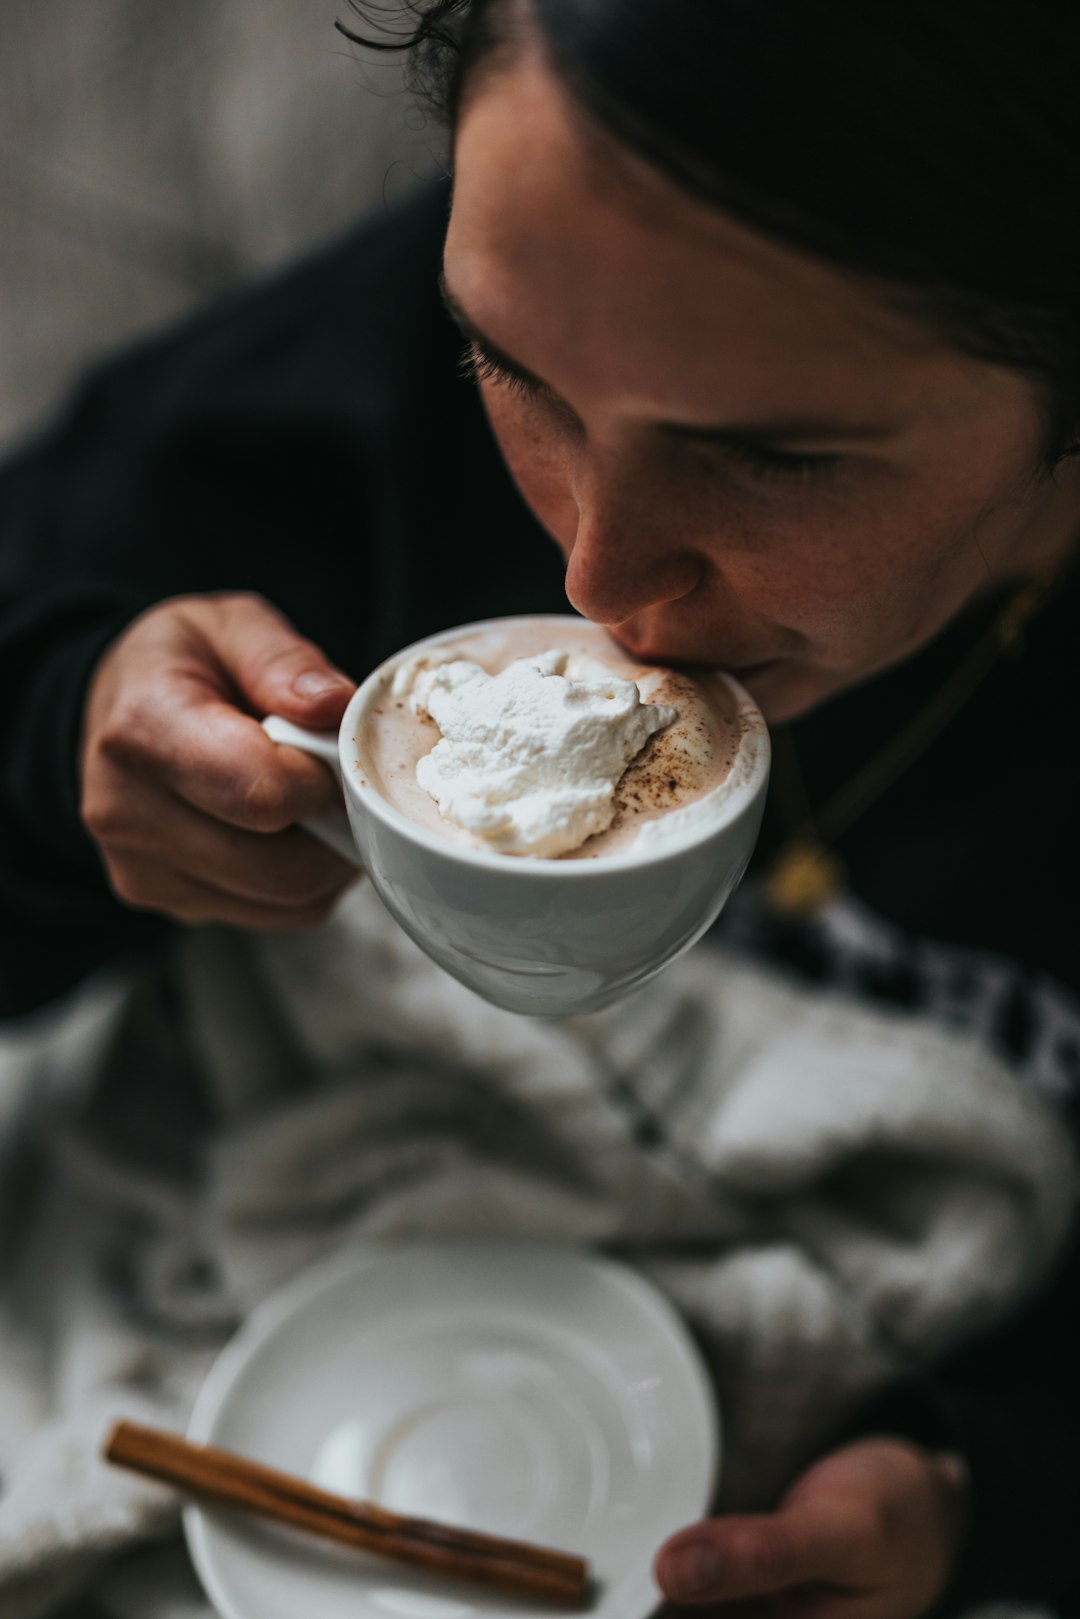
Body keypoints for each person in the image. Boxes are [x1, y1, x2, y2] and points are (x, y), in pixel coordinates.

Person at [1, 1, 1078, 1613]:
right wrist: (58, 735)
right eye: (507, 368)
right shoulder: (355, 396)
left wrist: (982, 1491)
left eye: (773, 460)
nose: (599, 578)